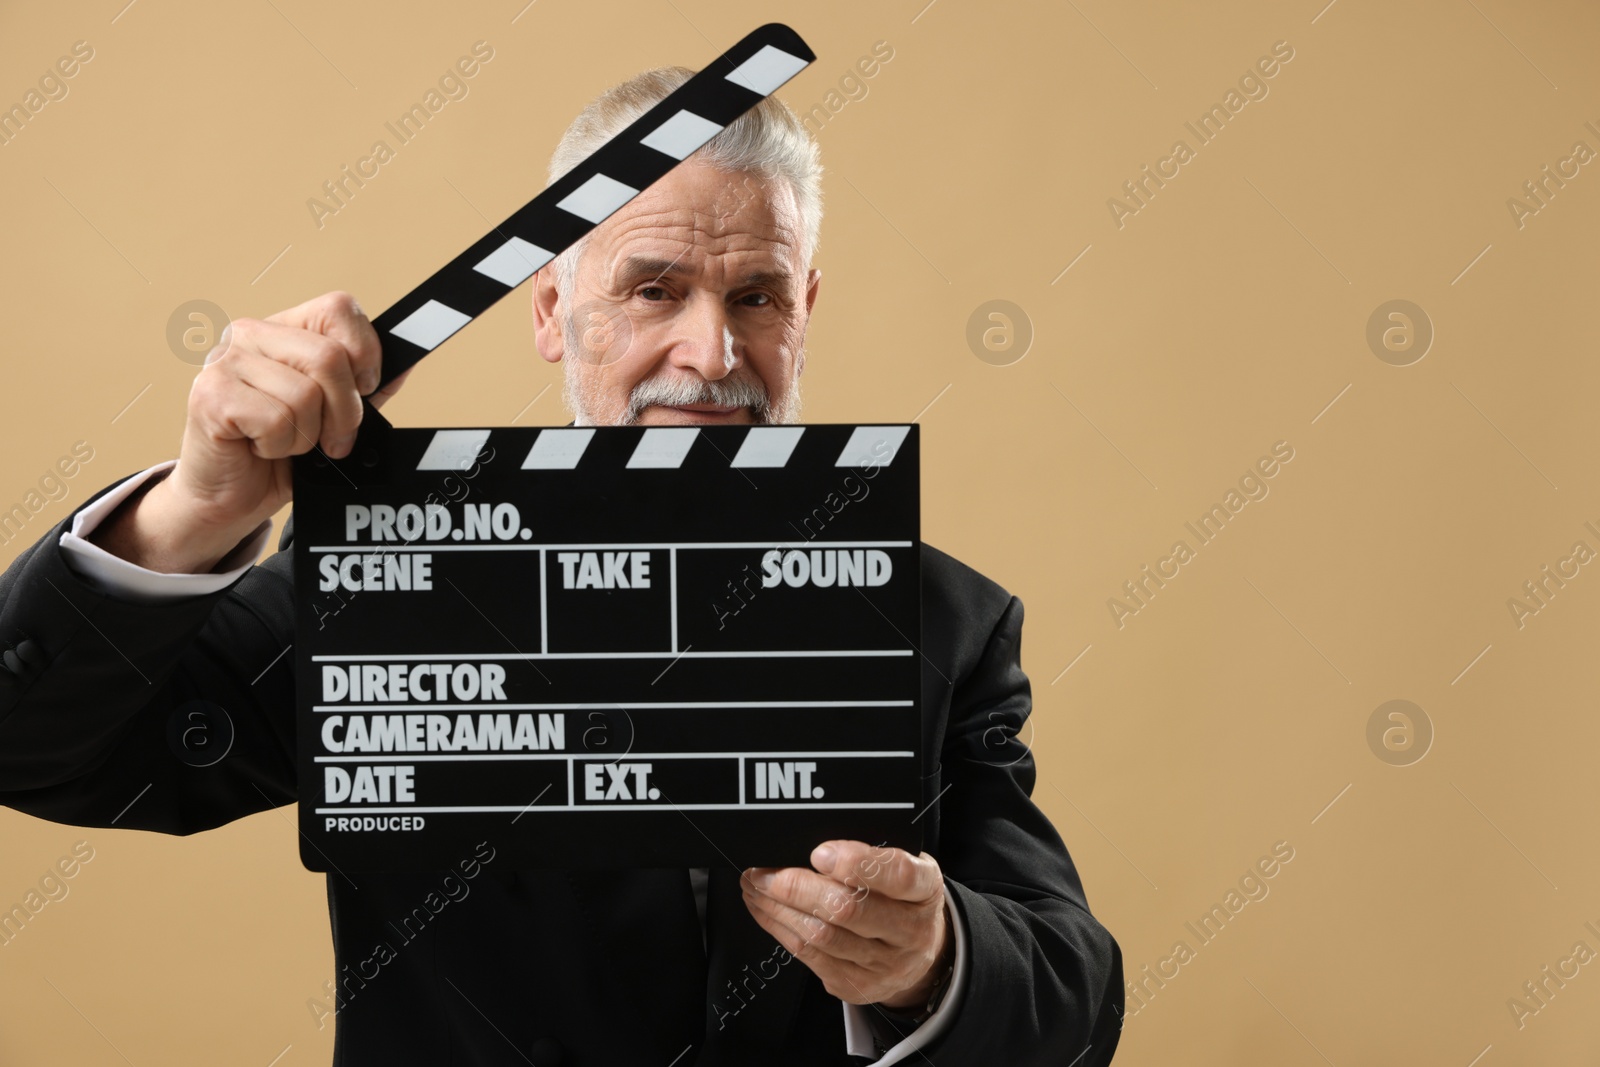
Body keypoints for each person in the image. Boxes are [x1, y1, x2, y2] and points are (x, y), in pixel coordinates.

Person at [0, 66, 1123, 1065]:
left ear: (805, 311)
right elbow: (35, 743)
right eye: (652, 288)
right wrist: (192, 509)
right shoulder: (394, 579)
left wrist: (930, 957)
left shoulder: (940, 618)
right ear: (550, 310)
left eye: (756, 297)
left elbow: (1073, 990)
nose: (710, 352)